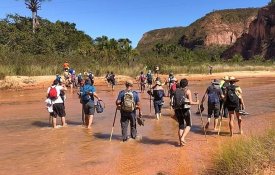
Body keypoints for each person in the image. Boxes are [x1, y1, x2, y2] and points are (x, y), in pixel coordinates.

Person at [172, 78, 199, 146]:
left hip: (177, 110)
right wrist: (197, 102)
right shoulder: (187, 91)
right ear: (186, 84)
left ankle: (181, 143)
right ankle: (183, 138)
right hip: (185, 110)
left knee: (181, 126)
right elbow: (190, 102)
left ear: (180, 84)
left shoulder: (175, 90)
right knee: (189, 125)